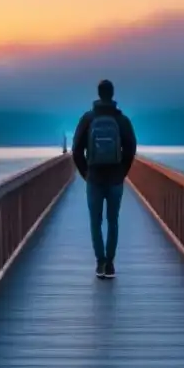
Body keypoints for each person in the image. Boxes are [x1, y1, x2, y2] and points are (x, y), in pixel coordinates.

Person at [71, 79, 138, 279]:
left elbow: (76, 150)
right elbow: (131, 148)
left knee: (95, 221)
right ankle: (110, 263)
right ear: (112, 94)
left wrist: (86, 173)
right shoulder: (122, 120)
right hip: (116, 178)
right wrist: (122, 171)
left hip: (95, 178)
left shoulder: (88, 119)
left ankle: (100, 262)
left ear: (99, 94)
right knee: (113, 221)